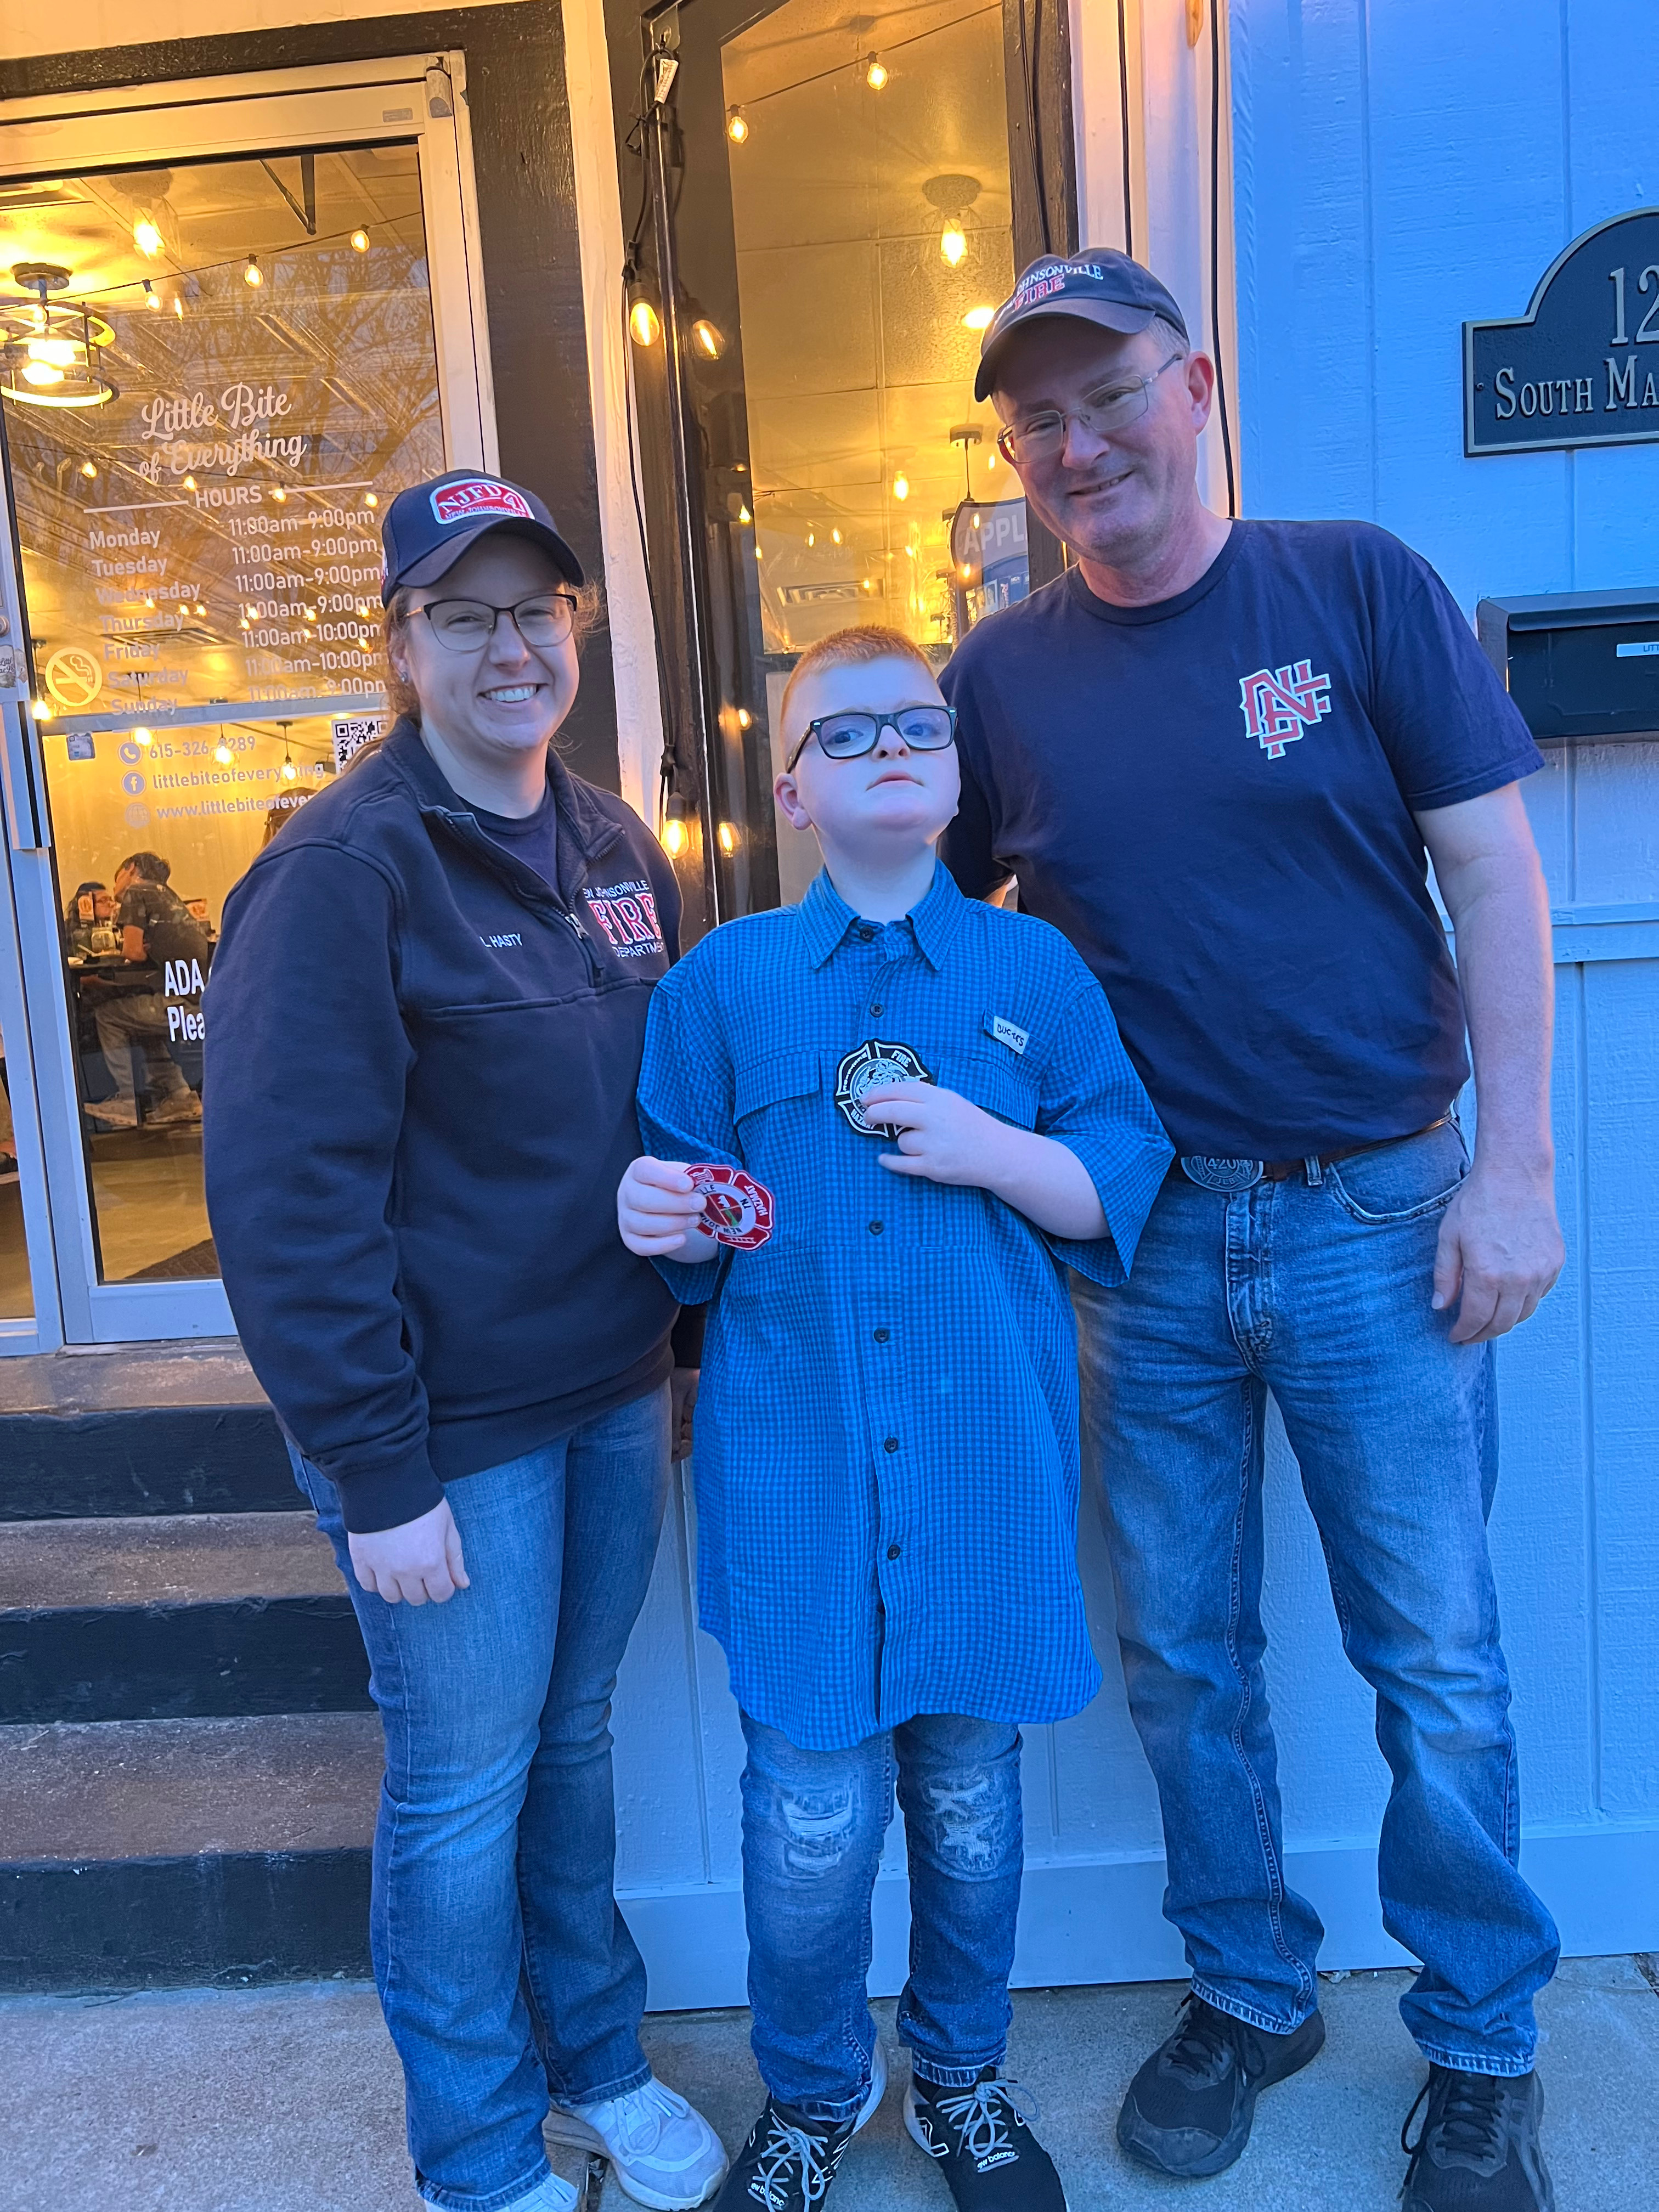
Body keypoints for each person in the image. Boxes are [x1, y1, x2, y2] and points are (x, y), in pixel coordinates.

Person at [941, 250, 1565, 2212]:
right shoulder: (999, 678)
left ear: (1194, 386)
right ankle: (1247, 1985)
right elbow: (934, 936)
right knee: (1183, 1656)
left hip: (1384, 1217)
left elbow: (1491, 873)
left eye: (1106, 395)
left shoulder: (1353, 587)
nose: (1075, 445)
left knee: (1434, 1659)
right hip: (1140, 1246)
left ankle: (1480, 2040)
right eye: (1034, 420)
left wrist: (1515, 1169)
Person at [204, 470, 726, 2212]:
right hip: (447, 1438)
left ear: (575, 628)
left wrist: (688, 1313)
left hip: (607, 1393)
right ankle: (482, 2153)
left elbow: (659, 1112)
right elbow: (289, 1201)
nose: (512, 648)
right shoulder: (341, 871)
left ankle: (599, 2060)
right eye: (465, 615)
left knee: (571, 1743)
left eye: (536, 611)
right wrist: (378, 1472)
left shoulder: (616, 845)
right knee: (459, 1788)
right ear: (401, 643)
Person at [618, 625, 1172, 2212]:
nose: (889, 750)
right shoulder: (718, 988)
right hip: (796, 1486)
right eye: (844, 732)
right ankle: (812, 2095)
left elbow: (1114, 1179)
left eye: (917, 725)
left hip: (985, 1471)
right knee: (807, 1826)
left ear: (955, 766)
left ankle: (961, 2078)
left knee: (974, 1807)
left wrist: (998, 1149)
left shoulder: (1032, 974)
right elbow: (691, 1229)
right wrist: (663, 1219)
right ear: (791, 790)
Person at [88, 851, 207, 1129]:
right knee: (137, 1017)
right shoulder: (168, 897)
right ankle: (180, 1095)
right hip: (199, 1002)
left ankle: (127, 1101)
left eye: (116, 877)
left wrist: (131, 949)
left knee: (108, 1015)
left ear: (131, 869)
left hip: (180, 1004)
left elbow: (132, 952)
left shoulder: (138, 892)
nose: (115, 887)